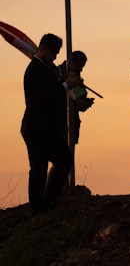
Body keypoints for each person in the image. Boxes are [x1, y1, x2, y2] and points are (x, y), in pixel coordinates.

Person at [21, 33, 78, 215]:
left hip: (51, 128)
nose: (55, 56)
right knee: (38, 168)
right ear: (43, 49)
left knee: (64, 160)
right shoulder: (34, 70)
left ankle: (49, 201)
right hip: (37, 128)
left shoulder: (48, 68)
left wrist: (69, 84)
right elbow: (44, 97)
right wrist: (65, 86)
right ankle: (38, 209)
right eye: (54, 52)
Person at [57, 50, 95, 145]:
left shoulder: (76, 76)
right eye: (79, 66)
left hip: (72, 122)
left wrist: (83, 102)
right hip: (59, 123)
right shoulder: (56, 74)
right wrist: (76, 103)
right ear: (72, 62)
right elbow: (57, 95)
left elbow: (79, 94)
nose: (81, 70)